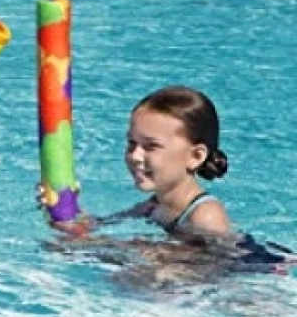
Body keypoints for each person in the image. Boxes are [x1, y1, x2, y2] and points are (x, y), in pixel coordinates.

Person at [49, 86, 232, 240]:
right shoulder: (153, 205)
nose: (135, 156)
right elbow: (95, 225)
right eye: (132, 143)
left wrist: (94, 245)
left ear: (195, 156)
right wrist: (66, 208)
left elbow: (208, 267)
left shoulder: (206, 216)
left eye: (151, 146)